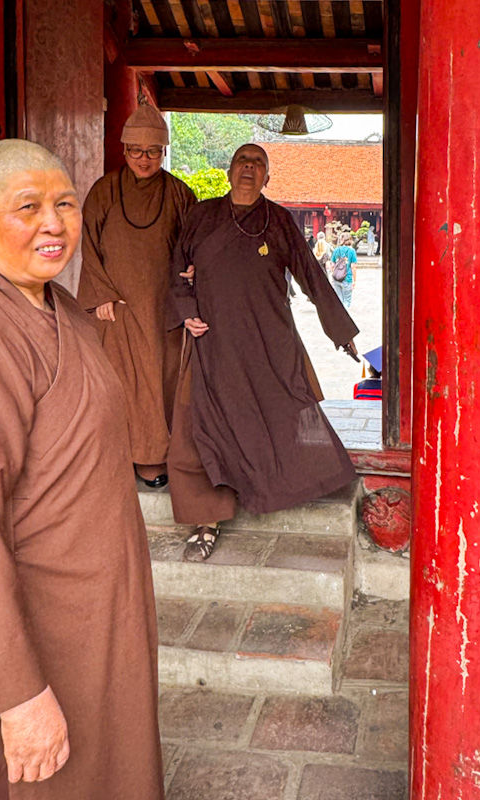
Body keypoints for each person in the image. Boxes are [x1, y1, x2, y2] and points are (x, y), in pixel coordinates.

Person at [0, 139, 163, 799]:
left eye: (64, 204)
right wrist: (17, 693)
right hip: (29, 636)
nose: (54, 223)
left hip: (88, 619)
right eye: (28, 207)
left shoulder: (59, 308)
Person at [168, 144, 359, 561]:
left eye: (258, 164)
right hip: (213, 341)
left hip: (268, 340)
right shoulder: (201, 216)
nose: (249, 169)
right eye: (242, 161)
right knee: (202, 427)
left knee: (288, 406)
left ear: (268, 178)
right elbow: (177, 270)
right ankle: (207, 520)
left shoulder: (280, 220)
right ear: (229, 170)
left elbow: (310, 272)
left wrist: (340, 332)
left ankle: (294, 485)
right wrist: (186, 312)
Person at [78, 105, 196, 488]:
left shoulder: (179, 193)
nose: (143, 159)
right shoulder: (104, 191)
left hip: (162, 309)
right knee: (115, 384)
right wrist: (101, 296)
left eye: (152, 151)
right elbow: (89, 247)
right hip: (116, 309)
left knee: (160, 382)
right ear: (124, 150)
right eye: (135, 151)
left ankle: (152, 458)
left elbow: (194, 247)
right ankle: (113, 460)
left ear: (163, 152)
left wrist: (193, 278)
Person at [329, 235, 358, 308]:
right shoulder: (352, 251)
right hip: (347, 278)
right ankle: (344, 318)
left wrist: (335, 273)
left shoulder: (336, 250)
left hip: (336, 279)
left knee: (339, 301)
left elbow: (332, 264)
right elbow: (353, 266)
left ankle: (338, 317)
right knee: (347, 301)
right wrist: (354, 280)